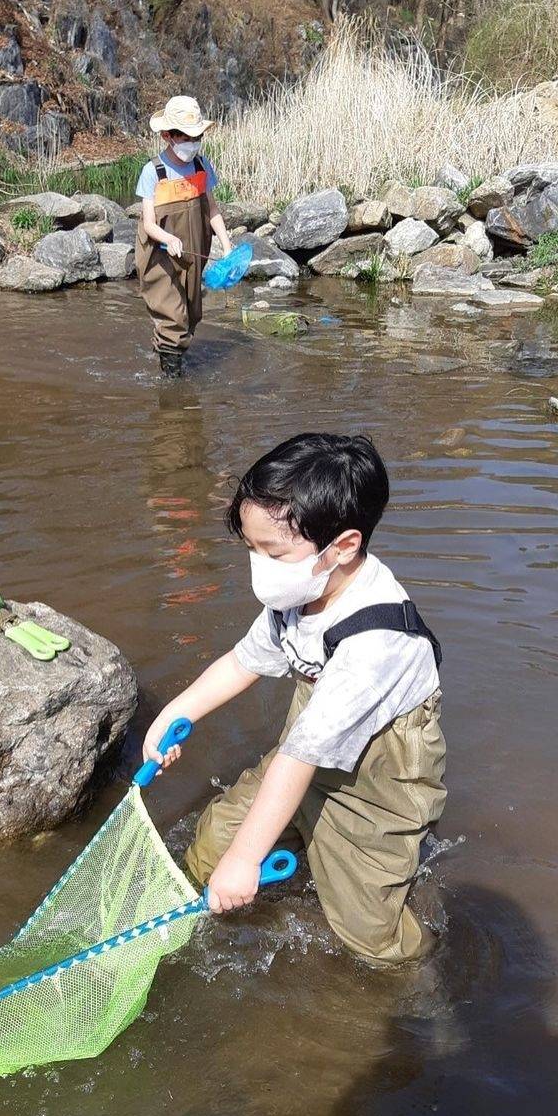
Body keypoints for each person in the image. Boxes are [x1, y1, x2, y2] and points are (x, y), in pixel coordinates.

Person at [142, 433, 447, 964]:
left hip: (378, 773)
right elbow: (242, 663)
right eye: (252, 549)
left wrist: (246, 860)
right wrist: (176, 712)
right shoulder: (300, 593)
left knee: (368, 934)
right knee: (212, 847)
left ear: (344, 547)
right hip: (306, 747)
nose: (260, 566)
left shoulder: (376, 643)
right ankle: (298, 834)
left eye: (274, 552)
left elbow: (301, 756)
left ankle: (424, 964)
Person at [135, 95, 231, 378]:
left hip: (193, 253)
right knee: (173, 319)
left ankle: (168, 354)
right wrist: (168, 238)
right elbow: (149, 224)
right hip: (160, 256)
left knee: (190, 315)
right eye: (187, 137)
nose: (193, 142)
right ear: (168, 136)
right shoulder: (152, 172)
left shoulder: (201, 166)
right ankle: (173, 384)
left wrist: (226, 245)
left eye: (197, 136)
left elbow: (212, 210)